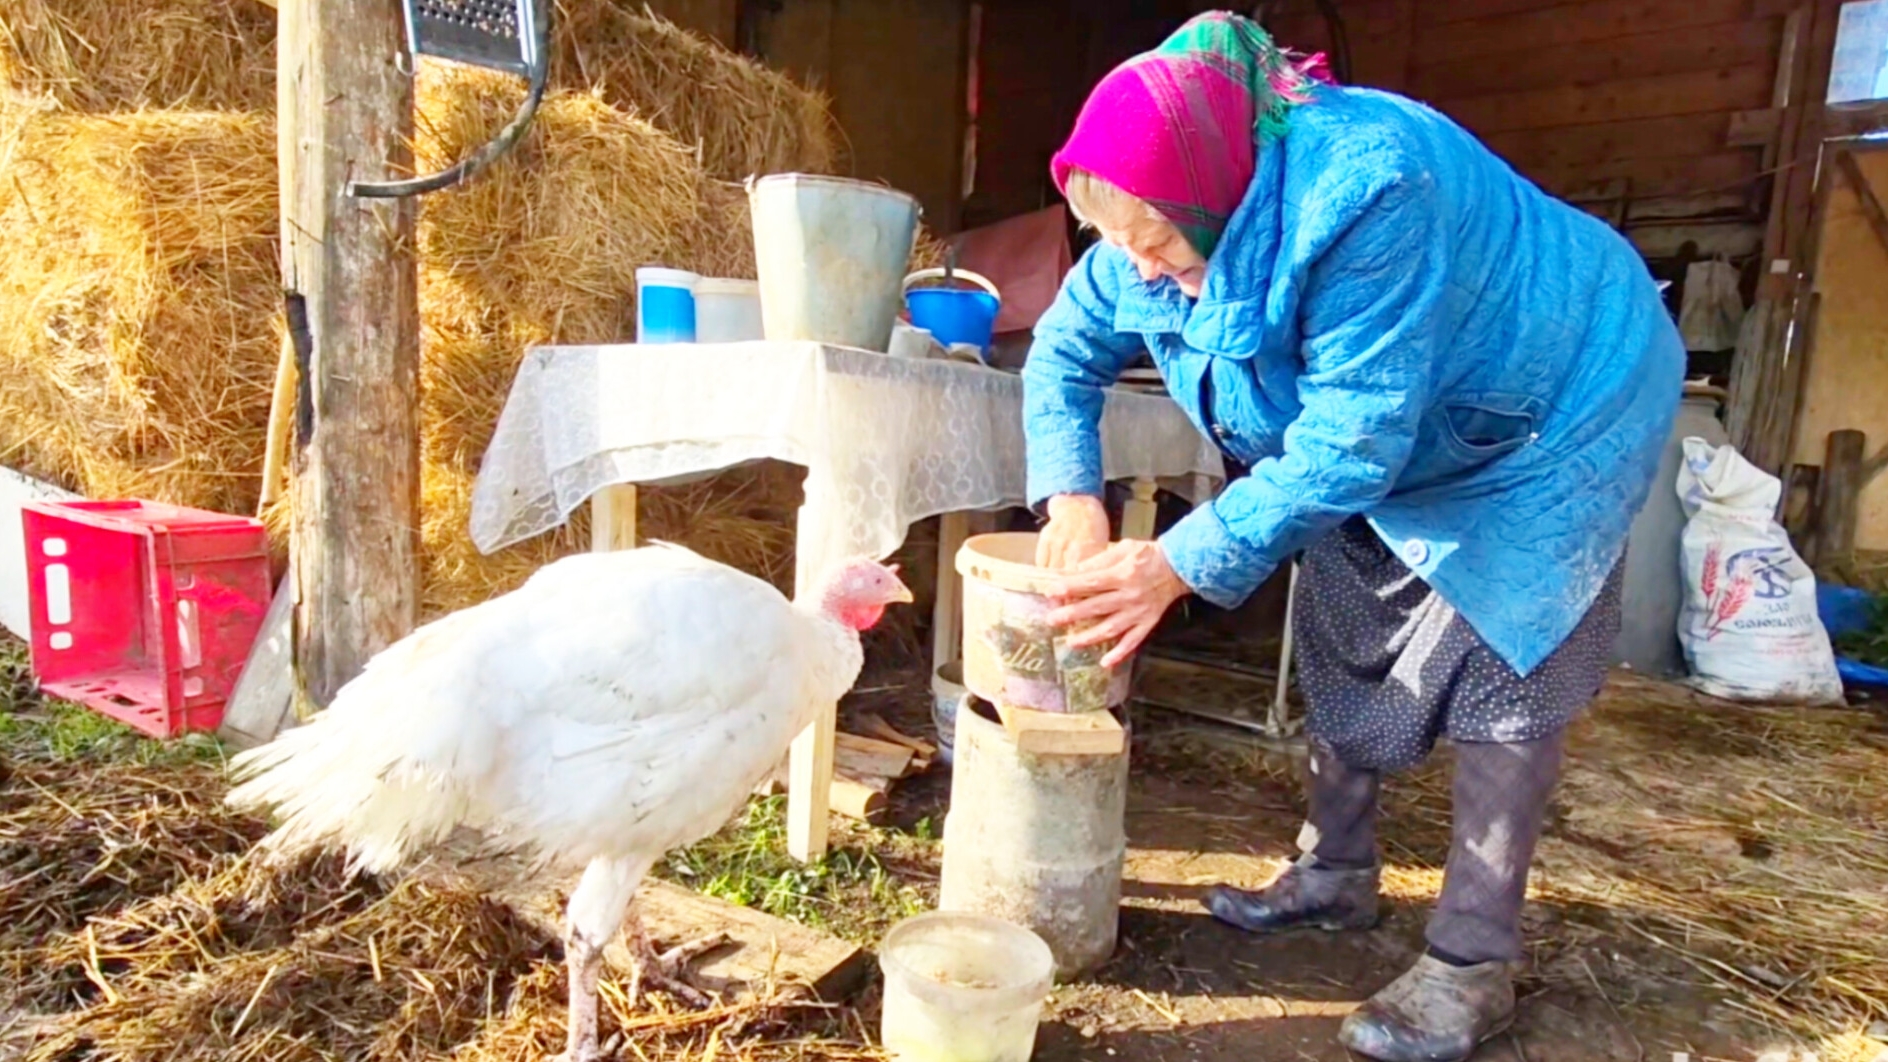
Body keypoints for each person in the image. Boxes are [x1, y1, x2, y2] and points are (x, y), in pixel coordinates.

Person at [1021, 13, 1683, 1062]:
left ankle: (1471, 965)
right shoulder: (1143, 232)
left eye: (1161, 250)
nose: (1142, 275)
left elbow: (1352, 436)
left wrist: (1178, 561)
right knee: (1340, 603)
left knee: (1507, 661)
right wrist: (1071, 499)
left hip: (1553, 397)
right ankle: (1332, 876)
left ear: (1221, 197)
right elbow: (1062, 358)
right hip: (1398, 422)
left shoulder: (1369, 189)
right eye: (1120, 249)